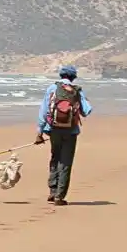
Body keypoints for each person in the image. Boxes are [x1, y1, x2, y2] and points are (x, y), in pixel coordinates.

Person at [35, 65, 93, 206]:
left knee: (55, 157)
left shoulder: (52, 89)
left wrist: (39, 132)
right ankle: (59, 196)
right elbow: (87, 110)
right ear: (73, 77)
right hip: (71, 131)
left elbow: (43, 111)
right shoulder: (77, 90)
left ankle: (52, 191)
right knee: (65, 162)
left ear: (61, 76)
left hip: (53, 129)